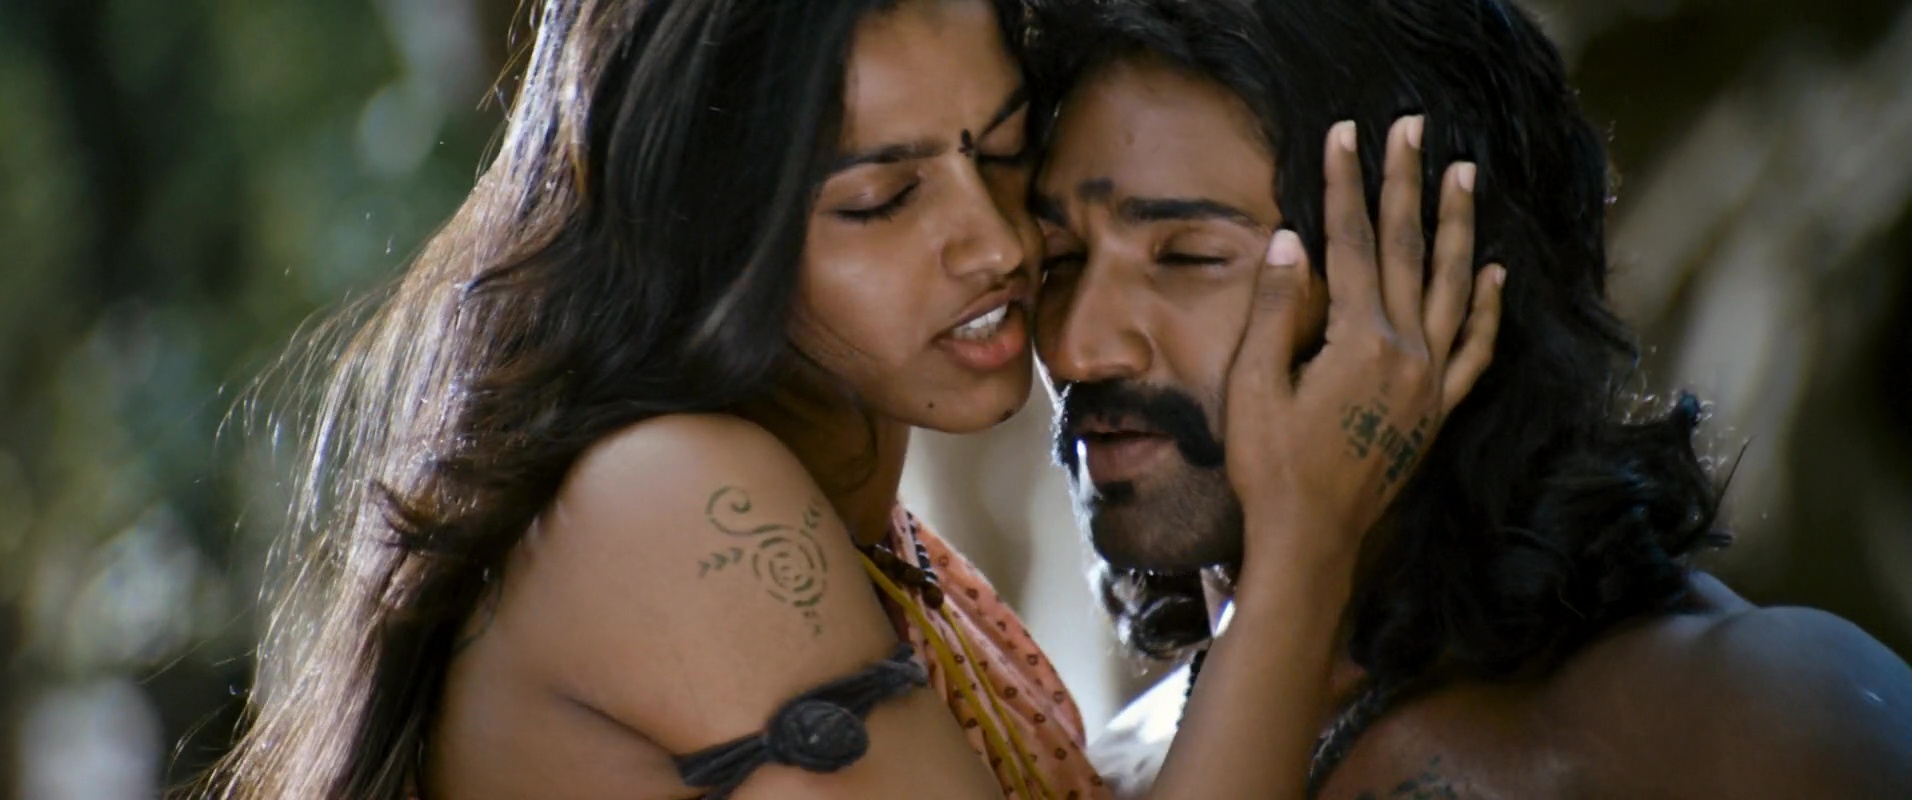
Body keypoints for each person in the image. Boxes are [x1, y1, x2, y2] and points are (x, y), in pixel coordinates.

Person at [198, 0, 1503, 798]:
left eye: (1004, 153)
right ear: (717, 233)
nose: (995, 242)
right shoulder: (673, 501)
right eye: (883, 199)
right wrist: (1307, 541)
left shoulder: (896, 556)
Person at [1025, 0, 1912, 797]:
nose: (1074, 345)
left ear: (1434, 276)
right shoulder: (1111, 773)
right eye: (1058, 261)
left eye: (1188, 257)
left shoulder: (1752, 721)